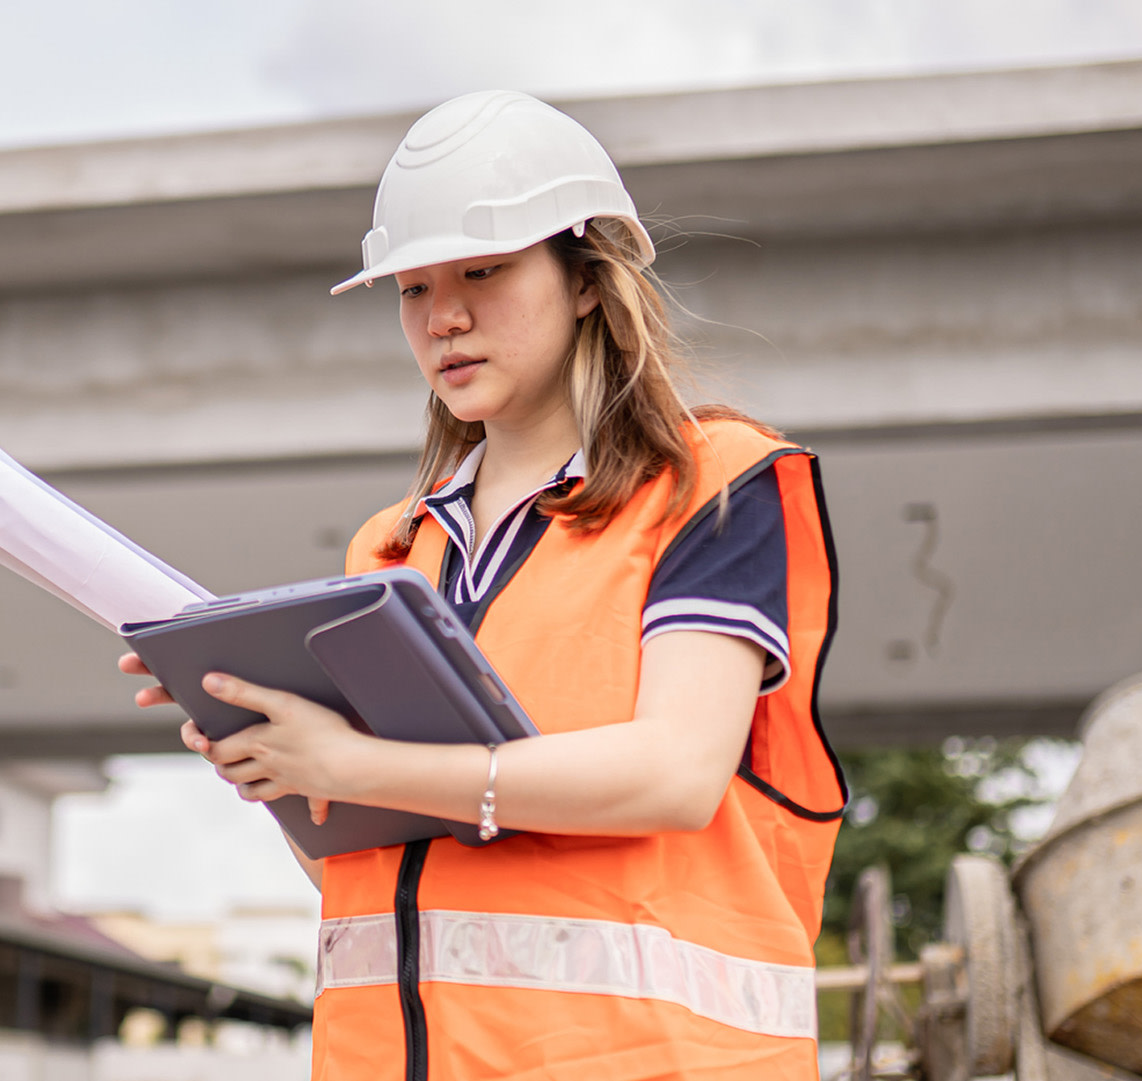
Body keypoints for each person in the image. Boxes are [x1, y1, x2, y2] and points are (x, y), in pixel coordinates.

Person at [119, 90, 845, 1081]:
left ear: (587, 277)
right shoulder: (389, 551)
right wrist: (281, 765)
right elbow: (368, 873)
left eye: (484, 270)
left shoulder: (708, 483)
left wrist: (356, 767)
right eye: (413, 288)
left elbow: (677, 773)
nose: (443, 318)